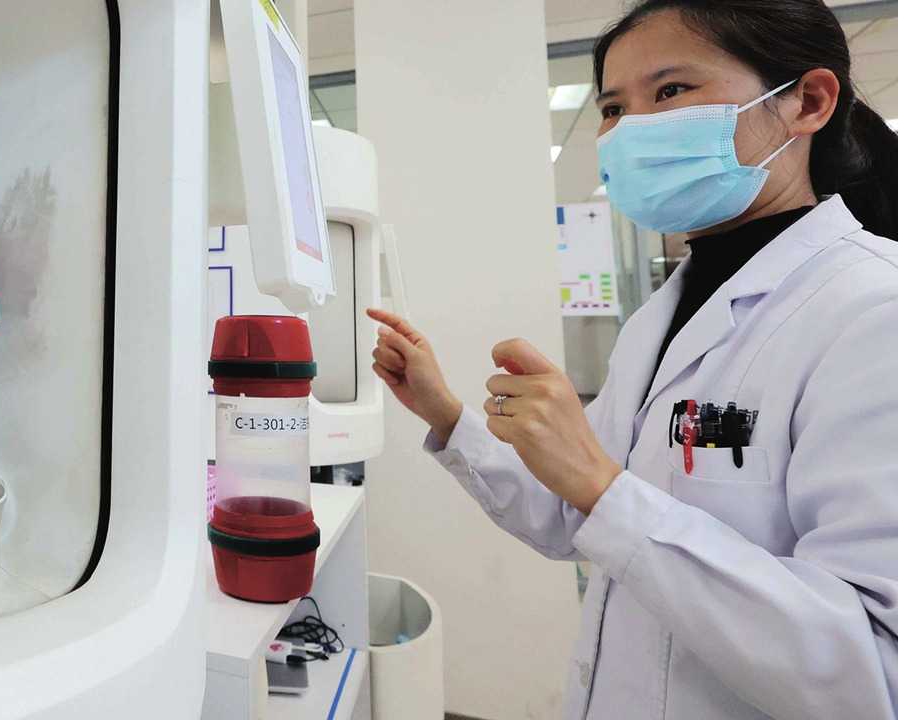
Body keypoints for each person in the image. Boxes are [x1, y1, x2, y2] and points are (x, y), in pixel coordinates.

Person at [368, 1, 898, 718]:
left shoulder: (872, 310)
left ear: (808, 101)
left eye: (671, 91)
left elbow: (871, 667)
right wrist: (449, 414)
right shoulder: (664, 316)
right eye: (614, 107)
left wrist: (600, 484)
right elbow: (573, 517)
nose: (631, 129)